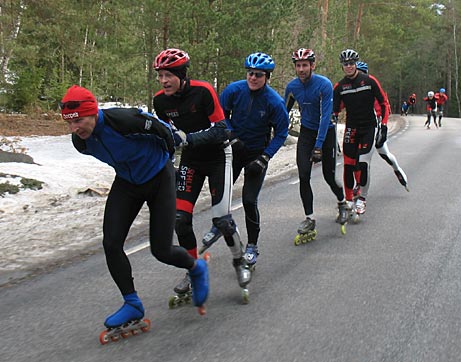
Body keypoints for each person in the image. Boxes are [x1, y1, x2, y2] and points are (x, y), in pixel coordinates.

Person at [60, 85, 209, 331]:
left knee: (161, 250)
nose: (74, 128)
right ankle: (132, 303)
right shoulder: (81, 142)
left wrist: (170, 161)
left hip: (159, 178)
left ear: (93, 112)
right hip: (128, 182)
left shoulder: (123, 120)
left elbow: (165, 132)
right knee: (111, 243)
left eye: (78, 120)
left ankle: (196, 267)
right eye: (69, 123)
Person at [152, 48, 251, 297]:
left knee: (222, 220)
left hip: (219, 157)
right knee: (180, 220)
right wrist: (168, 162)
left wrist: (189, 138)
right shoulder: (160, 101)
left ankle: (240, 260)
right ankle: (194, 270)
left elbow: (221, 130)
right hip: (191, 161)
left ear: (182, 75)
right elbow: (167, 136)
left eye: (169, 75)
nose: (164, 81)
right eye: (160, 75)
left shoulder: (203, 91)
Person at [217, 52, 289, 260]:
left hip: (257, 155)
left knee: (249, 200)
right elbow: (221, 115)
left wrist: (265, 157)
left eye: (258, 74)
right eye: (250, 73)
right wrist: (230, 136)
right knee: (221, 193)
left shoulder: (274, 101)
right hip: (234, 150)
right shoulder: (234, 90)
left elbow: (282, 133)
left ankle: (252, 245)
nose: (253, 78)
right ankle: (220, 224)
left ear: (267, 77)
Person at [285, 48, 349, 241]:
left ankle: (342, 202)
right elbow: (282, 112)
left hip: (326, 132)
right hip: (306, 133)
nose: (302, 69)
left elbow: (325, 116)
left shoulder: (324, 84)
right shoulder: (292, 87)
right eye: (298, 66)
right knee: (304, 175)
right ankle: (309, 218)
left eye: (305, 65)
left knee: (329, 176)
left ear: (312, 65)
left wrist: (319, 146)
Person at [333, 49, 390, 217]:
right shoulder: (340, 86)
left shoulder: (369, 81)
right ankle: (349, 199)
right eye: (346, 64)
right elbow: (334, 112)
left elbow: (384, 103)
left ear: (356, 64)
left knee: (363, 162)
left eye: (351, 63)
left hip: (368, 127)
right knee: (348, 165)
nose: (349, 66)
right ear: (342, 66)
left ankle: (362, 199)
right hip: (352, 127)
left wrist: (384, 126)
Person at [355, 61, 409, 191]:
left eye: (361, 73)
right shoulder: (350, 89)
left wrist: (383, 126)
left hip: (375, 127)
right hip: (359, 128)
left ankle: (397, 169)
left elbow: (384, 107)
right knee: (358, 158)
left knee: (384, 154)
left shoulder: (372, 88)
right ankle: (359, 185)